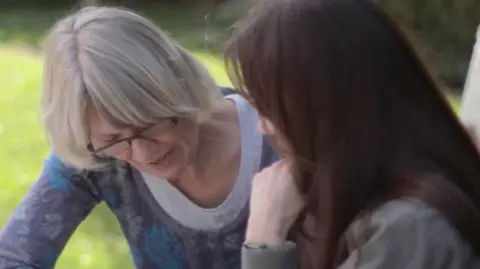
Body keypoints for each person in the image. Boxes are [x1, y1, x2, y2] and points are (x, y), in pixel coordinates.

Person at [0, 6, 277, 269]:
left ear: (179, 88)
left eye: (150, 123)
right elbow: (13, 258)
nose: (144, 153)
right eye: (114, 138)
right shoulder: (96, 152)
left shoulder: (281, 135)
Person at [224, 0, 480, 268]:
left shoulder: (408, 227)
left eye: (270, 109)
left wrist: (265, 237)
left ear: (325, 109)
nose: (262, 127)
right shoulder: (358, 195)